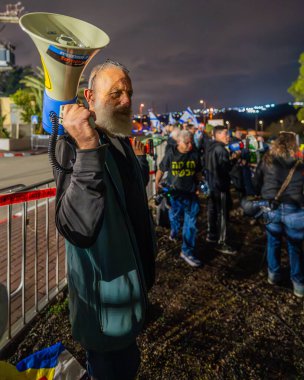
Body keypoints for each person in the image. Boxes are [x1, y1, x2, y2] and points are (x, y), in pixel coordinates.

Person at [54, 60, 157, 380]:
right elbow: (76, 227)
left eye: (128, 92)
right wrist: (85, 147)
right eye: (115, 93)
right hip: (103, 301)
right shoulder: (71, 144)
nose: (126, 100)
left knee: (129, 363)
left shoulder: (119, 138)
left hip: (130, 286)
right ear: (89, 96)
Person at [253, 132, 304, 297]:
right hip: (294, 208)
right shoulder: (300, 163)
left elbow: (256, 181)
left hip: (270, 206)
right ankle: (298, 284)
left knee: (273, 241)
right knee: (294, 246)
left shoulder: (267, 160)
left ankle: (273, 275)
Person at [155, 130, 202, 267]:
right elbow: (162, 168)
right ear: (179, 142)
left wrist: (199, 185)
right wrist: (157, 182)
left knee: (191, 221)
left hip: (190, 193)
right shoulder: (171, 153)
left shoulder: (194, 154)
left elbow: (198, 171)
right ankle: (174, 231)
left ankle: (187, 250)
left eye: (191, 142)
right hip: (175, 193)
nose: (190, 146)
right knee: (175, 214)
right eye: (187, 143)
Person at [204, 125, 241, 254]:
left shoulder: (210, 147)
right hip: (220, 186)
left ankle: (211, 235)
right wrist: (235, 159)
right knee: (223, 214)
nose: (228, 136)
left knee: (212, 210)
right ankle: (222, 242)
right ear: (218, 134)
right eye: (225, 133)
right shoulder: (221, 150)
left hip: (211, 185)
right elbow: (226, 168)